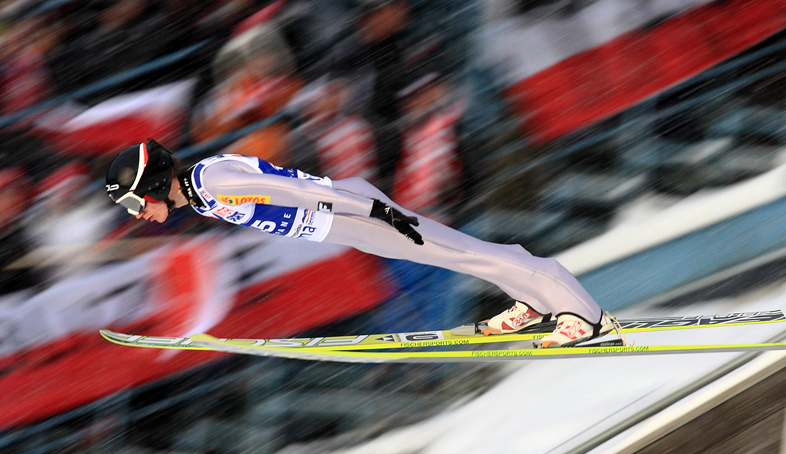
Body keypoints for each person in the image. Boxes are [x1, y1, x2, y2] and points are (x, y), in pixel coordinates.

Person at [104, 140, 616, 348]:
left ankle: (581, 311)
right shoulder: (198, 194)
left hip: (354, 211)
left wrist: (376, 210)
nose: (139, 215)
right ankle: (536, 301)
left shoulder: (212, 180)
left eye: (133, 204)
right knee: (456, 256)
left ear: (151, 183)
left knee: (454, 251)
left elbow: (301, 191)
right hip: (343, 224)